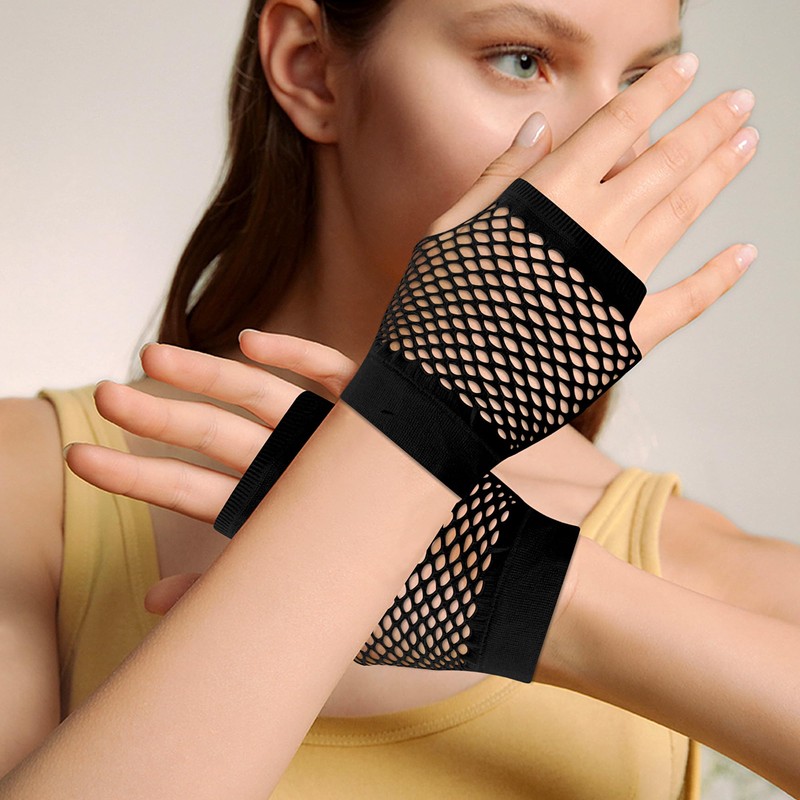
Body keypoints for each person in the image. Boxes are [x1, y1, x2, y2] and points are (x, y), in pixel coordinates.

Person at [1, 0, 795, 797]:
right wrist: (407, 436)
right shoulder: (32, 492)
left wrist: (544, 598)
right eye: (522, 60)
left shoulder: (705, 568)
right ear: (310, 67)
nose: (611, 146)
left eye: (638, 81)